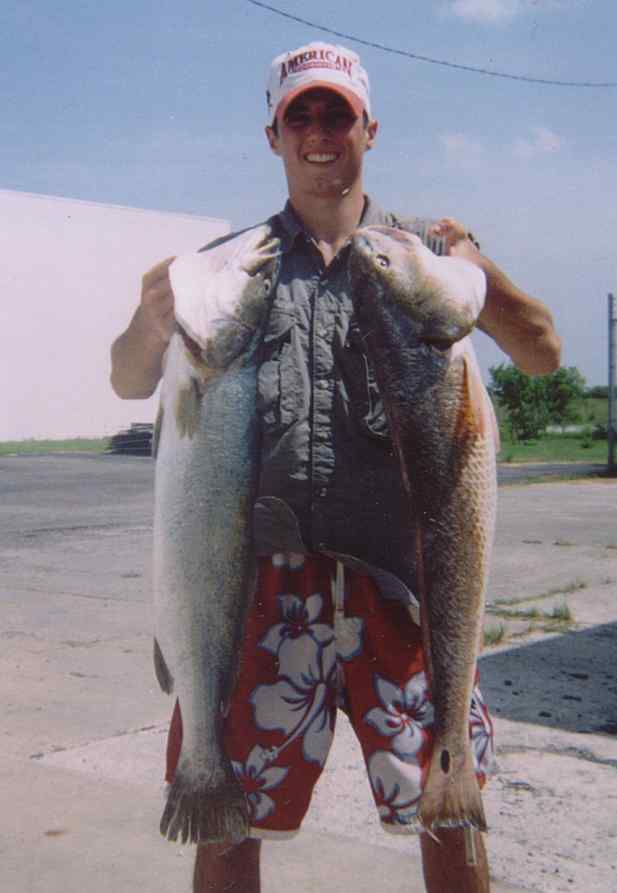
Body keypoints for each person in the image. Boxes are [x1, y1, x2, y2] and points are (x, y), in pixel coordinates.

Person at [111, 42, 560, 893]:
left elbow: (542, 351)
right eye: (301, 115)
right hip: (262, 586)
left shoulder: (429, 255)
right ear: (274, 135)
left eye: (337, 113)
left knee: (450, 813)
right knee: (228, 825)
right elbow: (130, 380)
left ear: (370, 129)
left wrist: (481, 274)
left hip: (405, 581)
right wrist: (148, 324)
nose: (319, 132)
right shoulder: (229, 266)